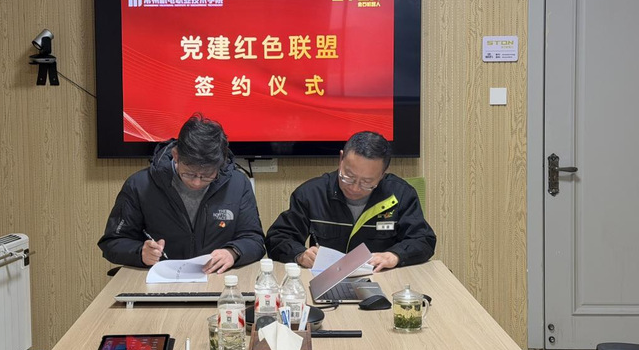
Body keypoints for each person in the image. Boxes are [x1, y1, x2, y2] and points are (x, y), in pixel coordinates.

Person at [98, 113, 265, 274]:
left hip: (217, 279)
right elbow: (112, 242)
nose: (196, 182)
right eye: (189, 173)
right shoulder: (140, 185)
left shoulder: (237, 184)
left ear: (220, 165)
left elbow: (255, 240)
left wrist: (233, 252)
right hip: (160, 281)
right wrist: (140, 252)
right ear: (176, 155)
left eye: (207, 176)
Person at [265, 131, 435, 272]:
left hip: (382, 281)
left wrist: (395, 255)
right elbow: (277, 238)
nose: (354, 188)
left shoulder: (400, 195)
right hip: (326, 281)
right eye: (348, 176)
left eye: (367, 182)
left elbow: (423, 240)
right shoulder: (311, 194)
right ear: (341, 160)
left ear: (382, 174)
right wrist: (300, 254)